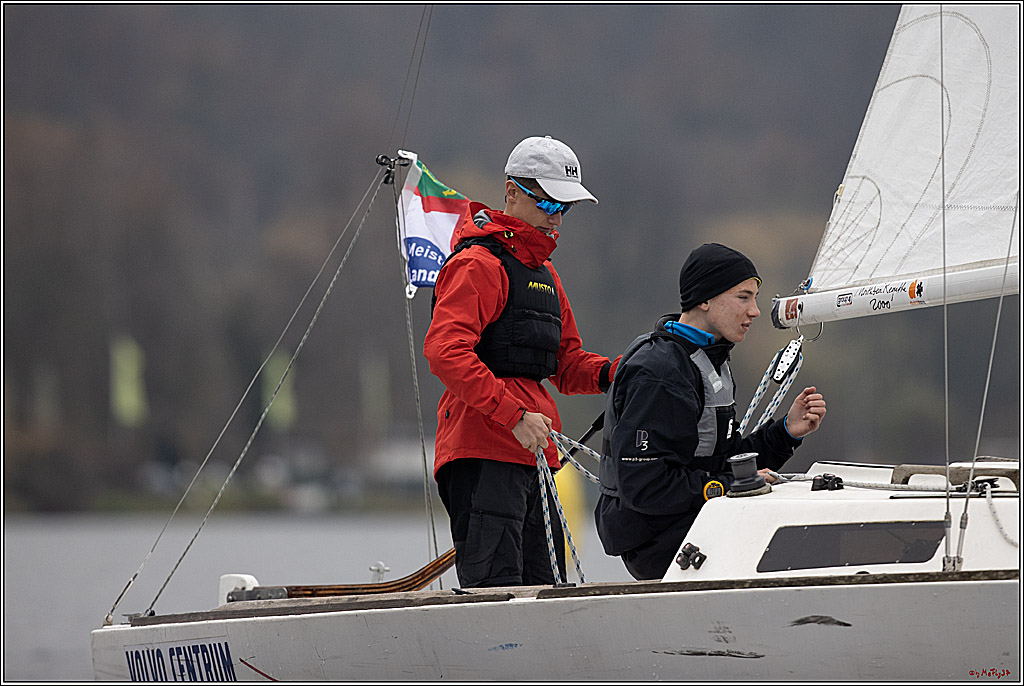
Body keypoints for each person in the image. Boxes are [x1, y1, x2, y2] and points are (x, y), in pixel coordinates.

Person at [424, 135, 620, 588]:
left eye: (564, 207)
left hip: (536, 456)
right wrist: (513, 416)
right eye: (547, 203)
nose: (555, 218)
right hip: (482, 450)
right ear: (511, 192)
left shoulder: (546, 274)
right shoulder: (477, 265)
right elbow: (445, 351)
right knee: (498, 589)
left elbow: (567, 364)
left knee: (548, 585)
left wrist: (620, 373)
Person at [595, 243, 826, 581]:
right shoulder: (659, 373)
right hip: (657, 542)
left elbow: (721, 460)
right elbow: (645, 487)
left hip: (690, 522)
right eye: (743, 297)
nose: (755, 311)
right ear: (705, 299)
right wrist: (729, 484)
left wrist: (785, 433)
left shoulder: (709, 359)